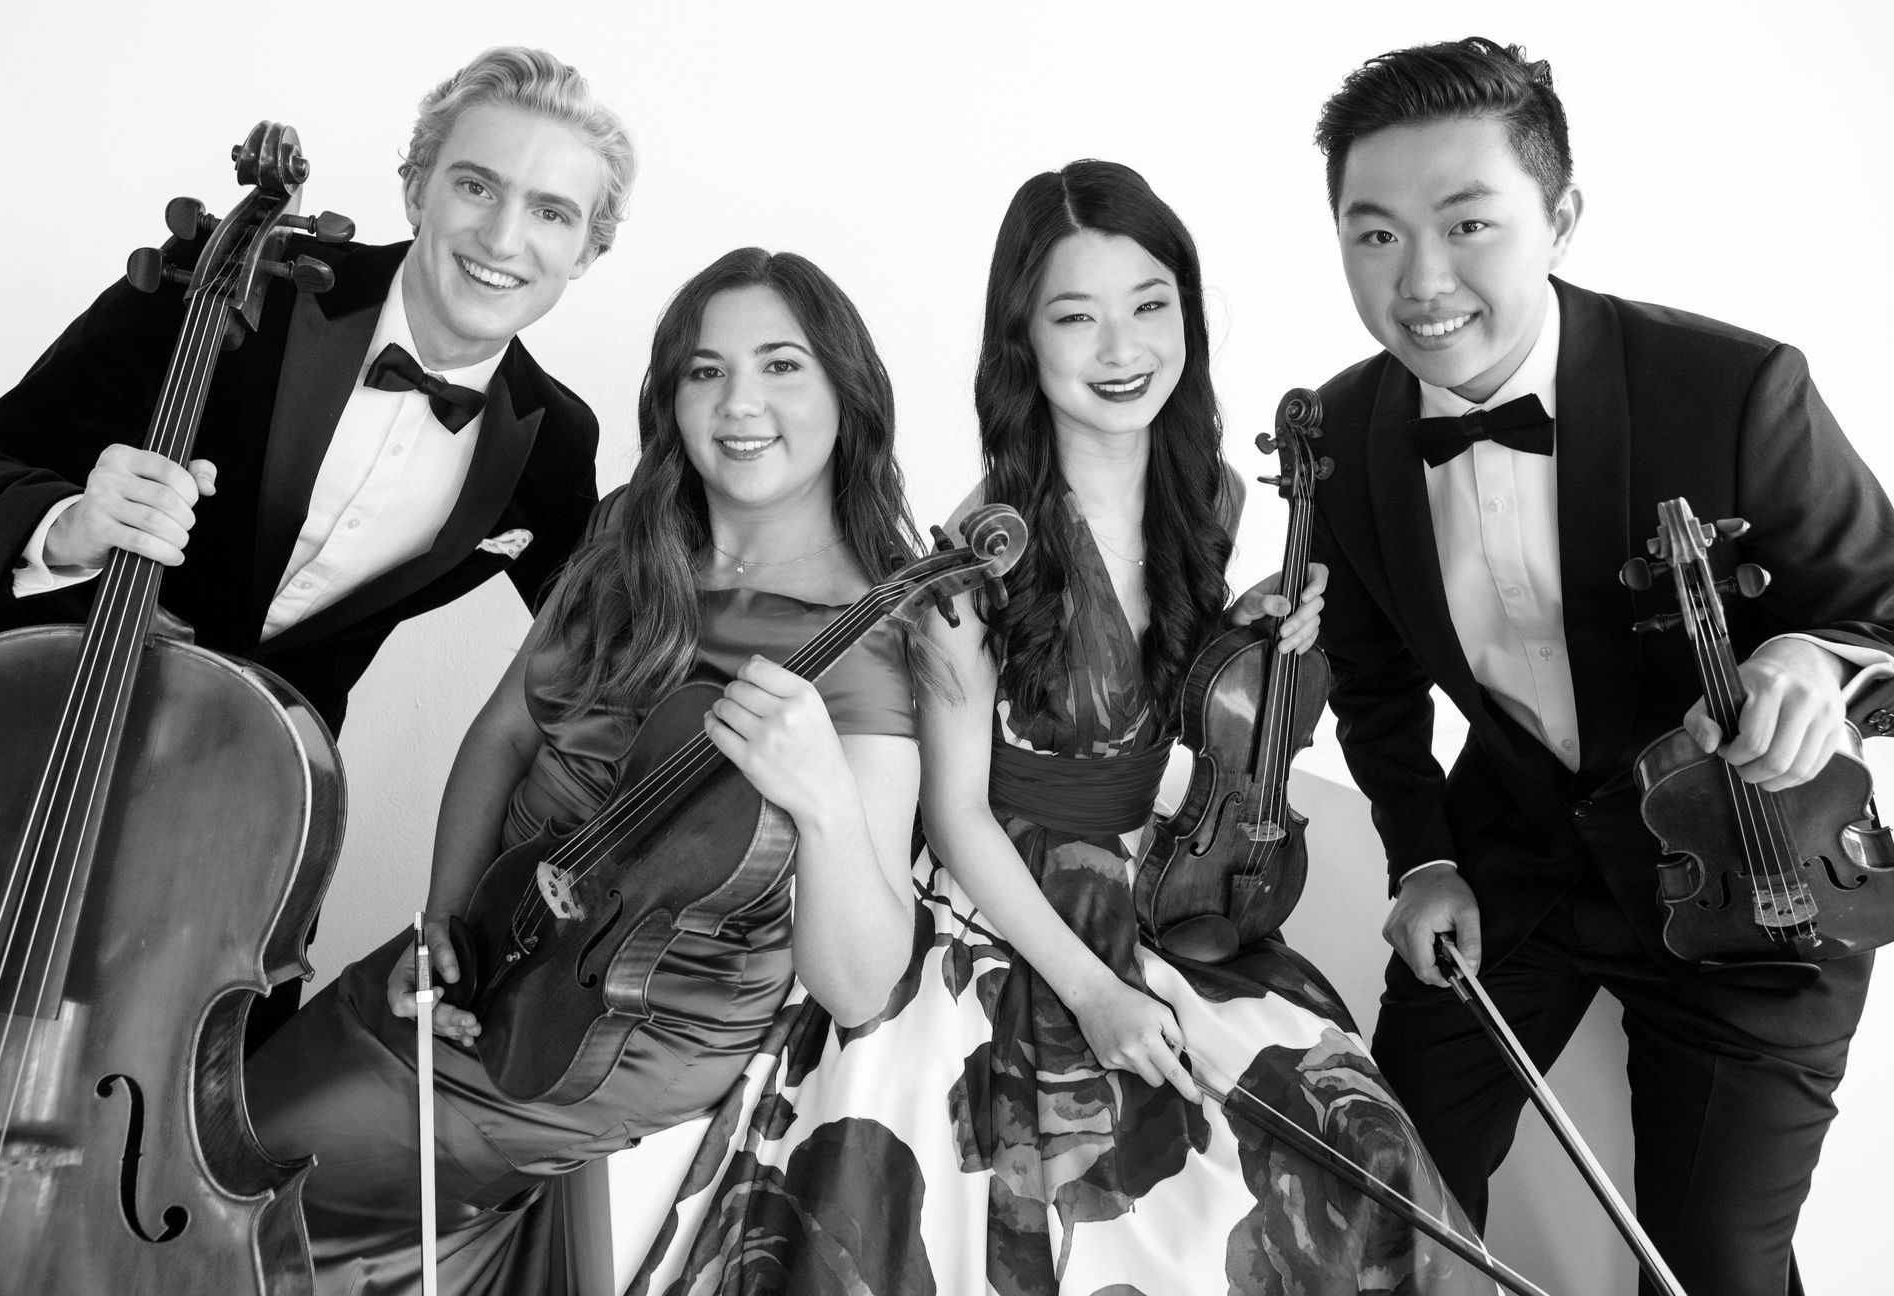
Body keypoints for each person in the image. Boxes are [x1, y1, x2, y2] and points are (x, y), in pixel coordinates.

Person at [627, 160, 1491, 1296]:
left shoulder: (1213, 498)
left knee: (1363, 1158)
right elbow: (958, 812)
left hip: (1170, 900)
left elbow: (1167, 724)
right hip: (1009, 909)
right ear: (1021, 343)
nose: (1120, 346)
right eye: (1075, 317)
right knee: (1093, 1224)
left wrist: (1254, 643)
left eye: (1149, 307)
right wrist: (1093, 990)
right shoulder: (976, 551)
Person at [1306, 37, 1894, 1296]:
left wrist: (1811, 654)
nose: (1422, 281)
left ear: (1560, 217)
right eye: (1375, 235)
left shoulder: (1731, 389)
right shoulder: (1349, 431)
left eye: (1468, 223)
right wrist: (1422, 856)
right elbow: (1369, 681)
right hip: (1517, 871)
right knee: (1378, 1205)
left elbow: (1885, 609)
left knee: (1715, 1270)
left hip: (1757, 883)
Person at [244, 246, 923, 1296]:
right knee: (244, 1106)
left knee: (261, 1166)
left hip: (634, 1022)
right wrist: (443, 923)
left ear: (848, 390)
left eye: (782, 366)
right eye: (705, 371)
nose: (740, 402)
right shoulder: (630, 535)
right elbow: (506, 733)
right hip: (504, 937)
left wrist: (825, 799)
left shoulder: (869, 637)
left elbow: (860, 980)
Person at [0, 44, 629, 741]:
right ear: (416, 190)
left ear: (587, 251)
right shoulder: (223, 286)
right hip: (25, 714)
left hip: (261, 793)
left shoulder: (554, 440)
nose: (502, 239)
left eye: (551, 214)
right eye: (477, 187)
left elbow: (608, 649)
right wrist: (67, 529)